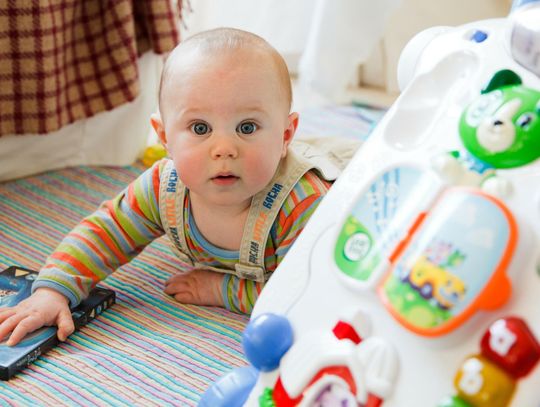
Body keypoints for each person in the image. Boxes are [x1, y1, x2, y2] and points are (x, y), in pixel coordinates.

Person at [0, 28, 352, 346]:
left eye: (247, 127)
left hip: (351, 185)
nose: (224, 148)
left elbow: (309, 296)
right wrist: (52, 289)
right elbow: (105, 231)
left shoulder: (303, 206)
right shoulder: (163, 187)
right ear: (165, 137)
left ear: (285, 135)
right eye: (200, 128)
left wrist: (223, 289)